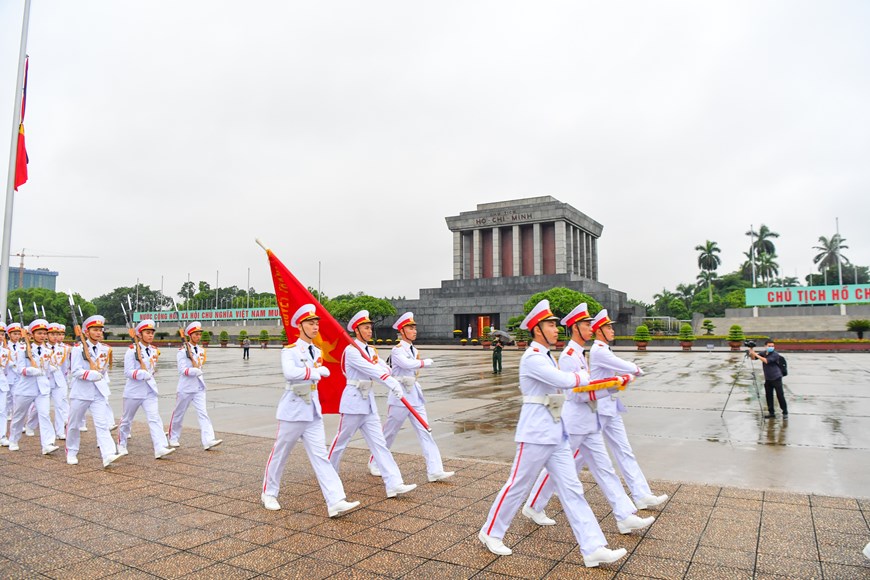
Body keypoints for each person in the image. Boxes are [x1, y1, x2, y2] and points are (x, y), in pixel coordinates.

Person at [479, 299, 627, 568]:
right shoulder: (533, 358)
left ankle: (593, 547)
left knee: (573, 489)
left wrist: (610, 385)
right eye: (550, 325)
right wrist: (597, 380)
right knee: (517, 486)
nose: (556, 329)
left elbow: (572, 389)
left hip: (556, 432)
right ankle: (491, 532)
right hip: (535, 432)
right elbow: (566, 382)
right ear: (537, 330)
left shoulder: (547, 356)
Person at [523, 303, 654, 534]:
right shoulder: (568, 356)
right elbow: (574, 393)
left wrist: (612, 385)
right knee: (556, 469)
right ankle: (533, 504)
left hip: (588, 422)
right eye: (586, 324)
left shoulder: (580, 354)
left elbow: (589, 384)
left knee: (605, 469)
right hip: (574, 422)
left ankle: (624, 515)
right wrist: (611, 386)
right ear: (575, 328)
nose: (592, 328)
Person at [261, 304, 360, 517]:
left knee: (320, 456)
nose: (315, 327)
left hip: (313, 411)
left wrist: (314, 372)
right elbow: (290, 373)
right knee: (281, 453)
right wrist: (314, 372)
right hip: (293, 411)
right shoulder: (290, 351)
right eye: (310, 323)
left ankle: (335, 500)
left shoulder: (317, 350)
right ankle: (269, 493)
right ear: (300, 326)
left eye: (316, 323)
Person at [327, 310, 416, 498]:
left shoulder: (370, 351)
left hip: (368, 402)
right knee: (341, 441)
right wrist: (391, 382)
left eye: (370, 328)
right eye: (366, 328)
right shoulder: (351, 351)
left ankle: (394, 483)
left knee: (380, 444)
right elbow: (372, 369)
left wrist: (387, 371)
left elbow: (383, 367)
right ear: (357, 331)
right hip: (353, 401)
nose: (369, 331)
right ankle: (327, 474)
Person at [589, 309, 668, 510]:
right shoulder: (599, 350)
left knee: (624, 451)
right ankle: (544, 491)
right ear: (599, 331)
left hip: (610, 407)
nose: (612, 330)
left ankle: (641, 494)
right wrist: (636, 370)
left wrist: (629, 374)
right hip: (597, 409)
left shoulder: (604, 349)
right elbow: (623, 366)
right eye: (608, 327)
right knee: (572, 455)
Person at [366, 312, 453, 482]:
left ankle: (435, 470)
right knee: (390, 433)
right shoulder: (397, 350)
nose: (414, 331)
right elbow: (407, 364)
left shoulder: (413, 349)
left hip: (414, 395)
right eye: (410, 328)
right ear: (402, 331)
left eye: (414, 328)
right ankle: (374, 462)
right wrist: (424, 363)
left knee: (425, 431)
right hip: (400, 397)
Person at [65, 315, 123, 467]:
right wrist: (91, 374)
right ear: (86, 331)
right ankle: (71, 451)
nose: (98, 333)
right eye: (95, 330)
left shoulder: (104, 349)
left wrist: (100, 374)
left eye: (100, 330)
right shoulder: (78, 349)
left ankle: (108, 454)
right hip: (81, 391)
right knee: (74, 424)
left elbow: (102, 370)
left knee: (102, 424)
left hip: (98, 391)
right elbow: (75, 371)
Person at [118, 320, 175, 459]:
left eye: (151, 333)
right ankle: (121, 443)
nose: (150, 335)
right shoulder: (131, 351)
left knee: (154, 418)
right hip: (134, 390)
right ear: (140, 334)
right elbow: (127, 372)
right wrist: (139, 374)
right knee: (127, 419)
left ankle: (160, 447)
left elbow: (151, 368)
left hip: (149, 389)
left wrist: (149, 373)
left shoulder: (154, 350)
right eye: (147, 333)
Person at [167, 321, 222, 450]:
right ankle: (173, 437)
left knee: (203, 413)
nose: (198, 337)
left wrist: (196, 367)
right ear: (190, 335)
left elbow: (199, 364)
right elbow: (182, 370)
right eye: (196, 334)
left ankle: (208, 440)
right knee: (179, 413)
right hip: (186, 387)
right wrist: (193, 370)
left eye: (199, 334)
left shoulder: (201, 350)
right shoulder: (182, 351)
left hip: (199, 387)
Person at [8, 319, 59, 455]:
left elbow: (47, 368)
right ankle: (13, 440)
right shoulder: (22, 349)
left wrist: (51, 369)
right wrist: (31, 370)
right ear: (31, 335)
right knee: (19, 416)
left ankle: (47, 443)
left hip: (42, 388)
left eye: (44, 333)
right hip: (25, 387)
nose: (42, 336)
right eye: (39, 333)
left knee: (44, 414)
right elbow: (20, 369)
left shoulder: (47, 350)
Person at [26, 323, 70, 439]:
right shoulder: (41, 349)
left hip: (58, 381)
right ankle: (30, 425)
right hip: (44, 380)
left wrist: (65, 379)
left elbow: (65, 366)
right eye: (52, 334)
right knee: (38, 407)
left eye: (57, 334)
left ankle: (60, 431)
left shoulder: (63, 349)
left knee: (60, 406)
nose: (55, 337)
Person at [750, 338, 788, 419]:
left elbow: (766, 361)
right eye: (769, 346)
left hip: (776, 377)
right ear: (765, 346)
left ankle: (785, 412)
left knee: (780, 395)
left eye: (772, 346)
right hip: (768, 378)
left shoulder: (775, 354)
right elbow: (753, 358)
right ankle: (771, 413)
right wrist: (751, 350)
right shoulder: (764, 353)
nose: (771, 347)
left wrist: (755, 354)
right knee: (768, 395)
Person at [0, 324, 11, 446]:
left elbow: (7, 369)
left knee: (2, 410)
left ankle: (1, 436)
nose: (0, 336)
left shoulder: (6, 352)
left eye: (2, 334)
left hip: (2, 381)